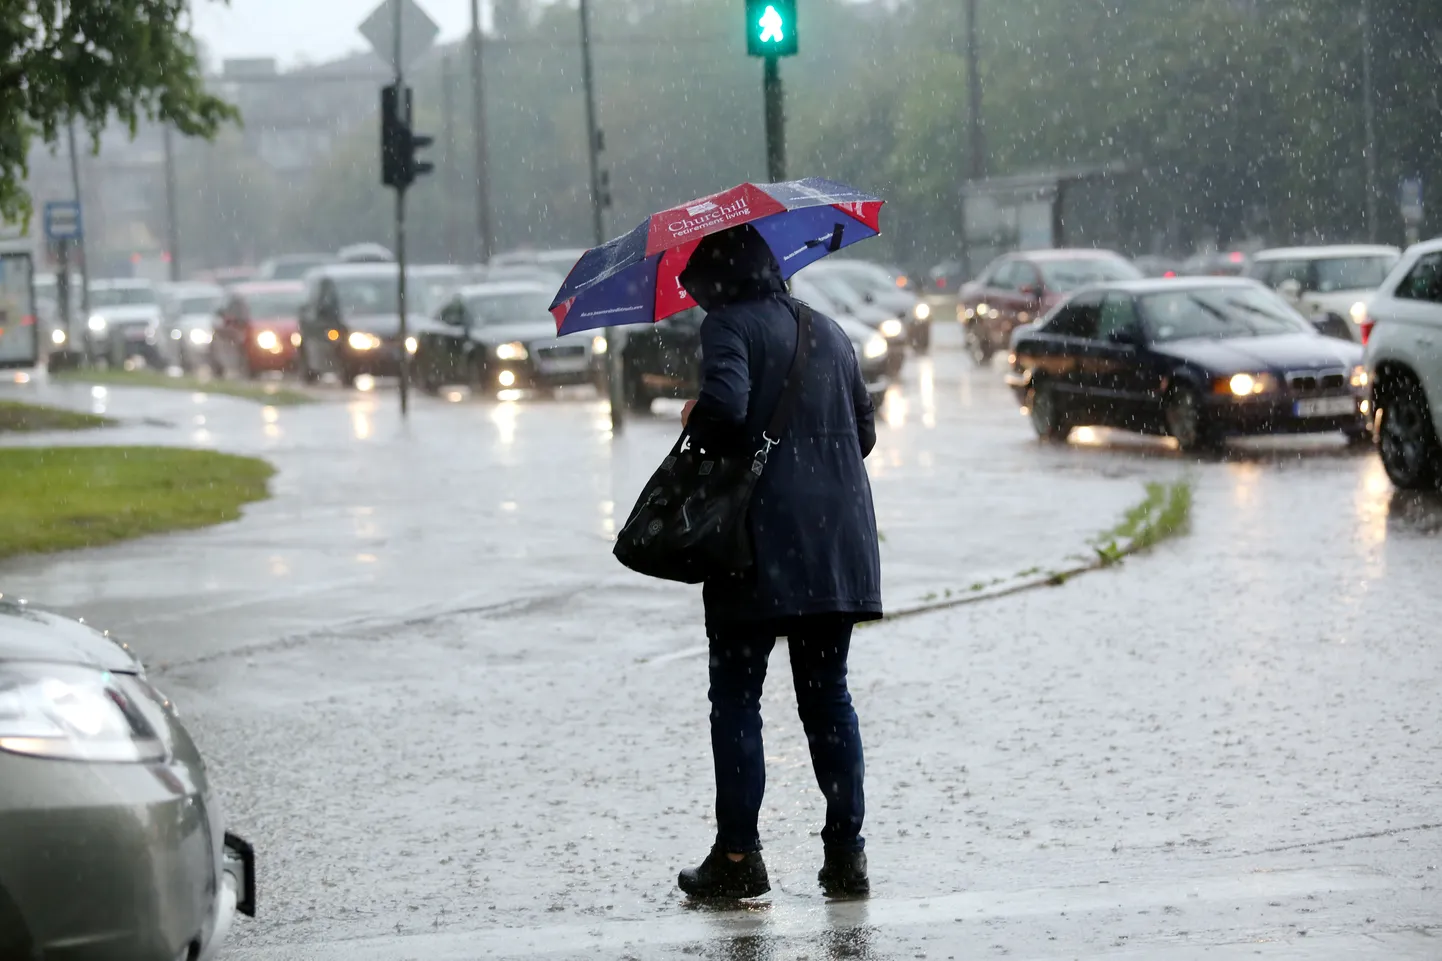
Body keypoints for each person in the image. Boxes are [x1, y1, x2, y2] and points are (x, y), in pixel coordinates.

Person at [673, 223, 882, 900]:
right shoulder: (831, 331)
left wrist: (694, 416)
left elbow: (726, 408)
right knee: (829, 699)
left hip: (753, 547)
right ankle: (846, 856)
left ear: (716, 282)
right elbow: (866, 431)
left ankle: (738, 857)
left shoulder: (727, 326)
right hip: (837, 545)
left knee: (736, 697)